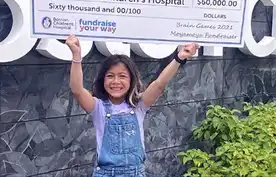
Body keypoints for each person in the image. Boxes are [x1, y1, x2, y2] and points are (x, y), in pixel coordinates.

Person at [65, 34, 199, 177]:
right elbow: (77, 90)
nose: (116, 81)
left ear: (131, 80)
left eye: (122, 76)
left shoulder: (139, 105)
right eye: (110, 76)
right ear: (102, 80)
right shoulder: (98, 107)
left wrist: (179, 58)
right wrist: (76, 55)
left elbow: (159, 84)